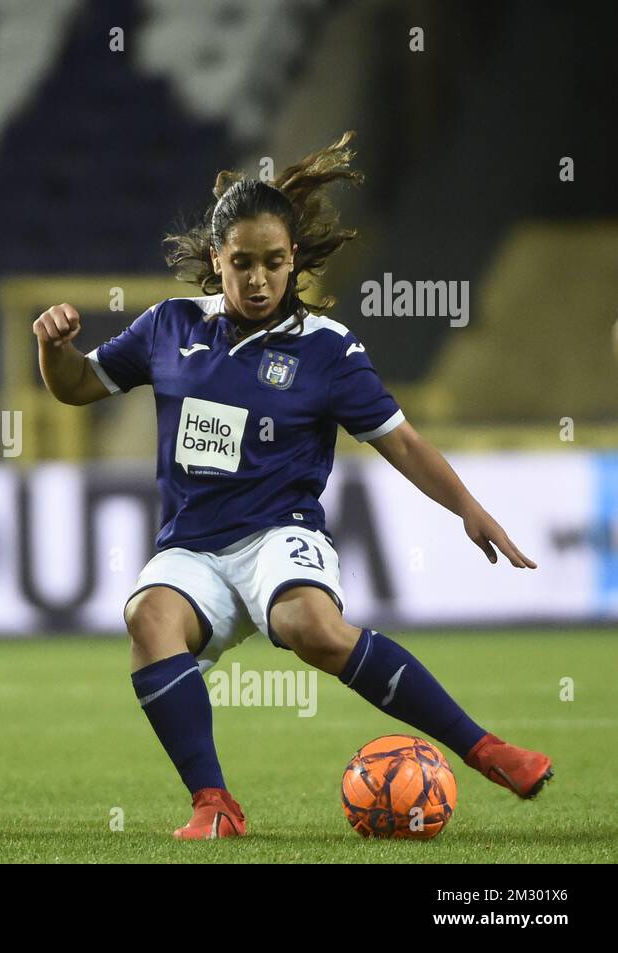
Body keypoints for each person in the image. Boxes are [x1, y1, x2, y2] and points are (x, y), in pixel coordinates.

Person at [31, 132, 552, 839]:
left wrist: (469, 508)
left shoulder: (327, 348)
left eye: (273, 262)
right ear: (217, 261)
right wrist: (51, 348)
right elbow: (76, 388)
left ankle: (489, 751)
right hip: (192, 546)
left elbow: (399, 439)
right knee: (148, 617)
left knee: (310, 626)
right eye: (241, 262)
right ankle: (215, 804)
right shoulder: (170, 327)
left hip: (282, 534)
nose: (256, 279)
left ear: (294, 261)